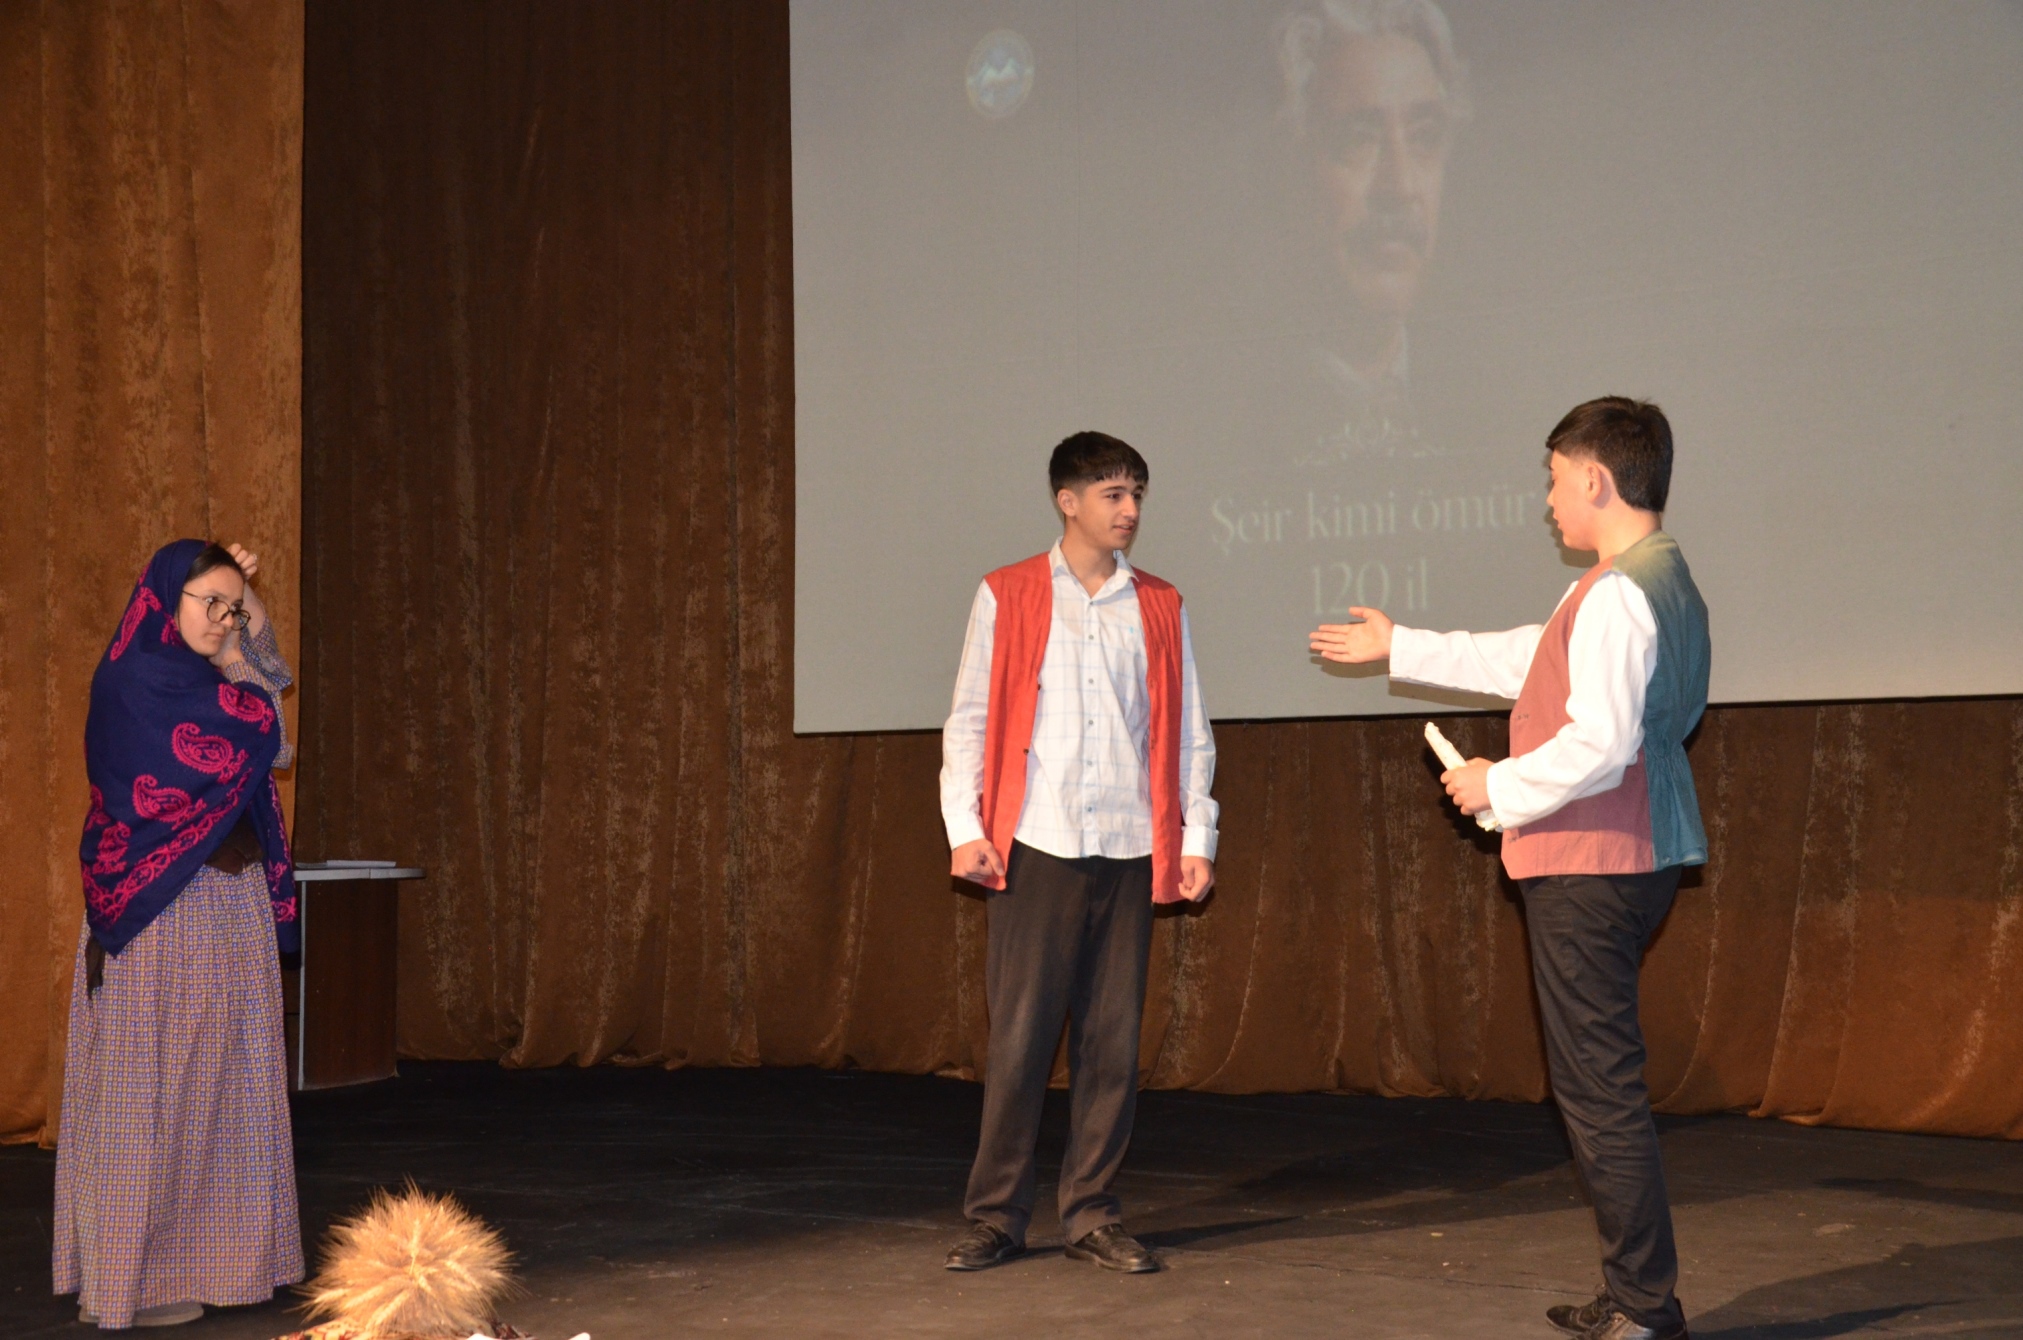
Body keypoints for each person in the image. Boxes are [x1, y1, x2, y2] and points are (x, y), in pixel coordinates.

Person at [1310, 397, 1709, 1340]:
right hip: (1624, 853)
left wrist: (1498, 784)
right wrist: (1403, 646)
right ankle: (1635, 1293)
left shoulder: (1619, 592)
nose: (1547, 500)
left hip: (1594, 861)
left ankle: (1644, 1308)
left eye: (1554, 479)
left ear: (1595, 479)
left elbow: (1599, 743)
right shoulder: (1642, 581)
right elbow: (1536, 660)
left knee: (1599, 1093)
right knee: (1598, 1086)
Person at [940, 432, 1219, 1274]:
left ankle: (1092, 1214)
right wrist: (966, 828)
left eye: (1136, 494)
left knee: (1110, 1043)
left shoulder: (1158, 603)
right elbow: (970, 719)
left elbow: (1188, 731)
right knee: (1020, 1040)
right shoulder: (1008, 592)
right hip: (1036, 843)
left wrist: (1196, 834)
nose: (1129, 510)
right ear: (1068, 502)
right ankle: (996, 1216)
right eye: (1112, 494)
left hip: (1129, 844)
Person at [54, 539, 305, 1329]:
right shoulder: (136, 680)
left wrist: (244, 618)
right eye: (210, 604)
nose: (224, 621)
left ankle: (215, 1262)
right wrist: (238, 659)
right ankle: (132, 1280)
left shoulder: (211, 681)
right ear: (166, 598)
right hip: (162, 910)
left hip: (225, 905)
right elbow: (262, 726)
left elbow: (274, 718)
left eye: (234, 607)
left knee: (221, 1087)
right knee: (149, 1093)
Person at [1273, 0, 1469, 460]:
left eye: (1423, 137)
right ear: (1292, 172)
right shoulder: (1224, 418)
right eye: (1359, 140)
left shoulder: (1496, 406)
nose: (1399, 187)